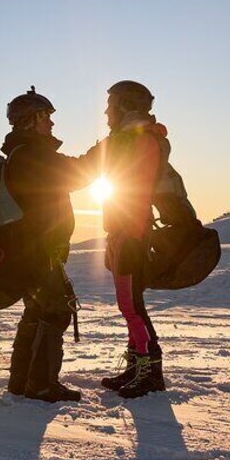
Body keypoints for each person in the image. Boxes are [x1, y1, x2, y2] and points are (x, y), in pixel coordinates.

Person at [2, 86, 99, 403]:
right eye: (46, 117)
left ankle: (22, 382)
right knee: (56, 311)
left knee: (37, 310)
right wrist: (107, 152)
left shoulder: (22, 154)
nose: (52, 124)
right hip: (39, 251)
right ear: (31, 120)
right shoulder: (33, 155)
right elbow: (77, 173)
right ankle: (42, 385)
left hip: (30, 250)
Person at [97, 81, 170, 399]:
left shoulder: (140, 141)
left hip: (133, 233)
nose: (106, 112)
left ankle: (149, 372)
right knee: (130, 305)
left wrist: (128, 234)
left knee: (132, 306)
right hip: (124, 231)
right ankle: (137, 365)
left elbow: (135, 188)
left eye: (111, 105)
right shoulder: (129, 140)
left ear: (125, 107)